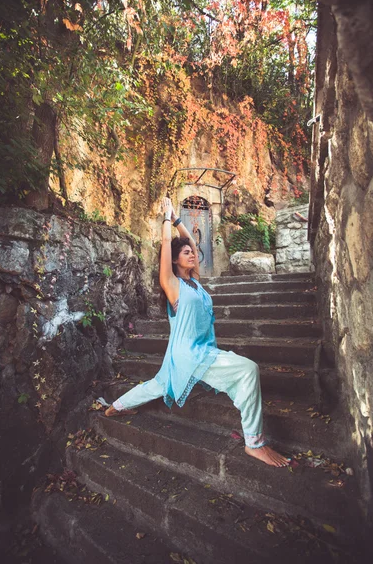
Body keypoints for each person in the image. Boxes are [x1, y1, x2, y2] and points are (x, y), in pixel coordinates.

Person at [104, 197, 290, 467]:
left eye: (192, 252)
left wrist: (180, 221)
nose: (192, 253)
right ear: (175, 261)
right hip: (190, 354)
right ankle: (255, 443)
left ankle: (116, 406)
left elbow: (189, 242)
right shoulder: (172, 284)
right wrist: (166, 218)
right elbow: (167, 245)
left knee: (158, 385)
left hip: (197, 350)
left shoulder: (195, 282)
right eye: (186, 253)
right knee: (248, 369)